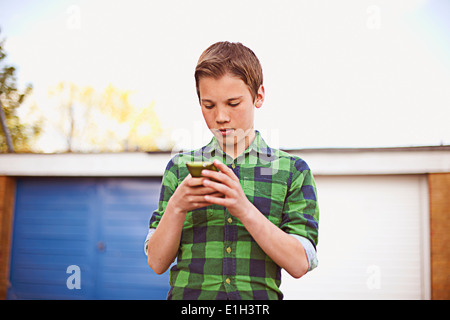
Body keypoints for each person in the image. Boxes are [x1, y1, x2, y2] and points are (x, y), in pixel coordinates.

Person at [145, 41, 319, 300]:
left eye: (233, 103)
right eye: (209, 105)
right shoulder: (179, 168)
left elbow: (299, 264)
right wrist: (177, 207)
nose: (221, 117)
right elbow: (157, 263)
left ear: (258, 96)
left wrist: (243, 208)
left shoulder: (293, 171)